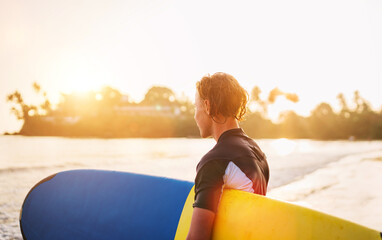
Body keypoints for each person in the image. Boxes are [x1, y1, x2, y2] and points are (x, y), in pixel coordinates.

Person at [186, 72, 270, 240]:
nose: (195, 116)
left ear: (208, 106)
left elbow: (197, 237)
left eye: (196, 107)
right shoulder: (258, 153)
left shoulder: (215, 161)